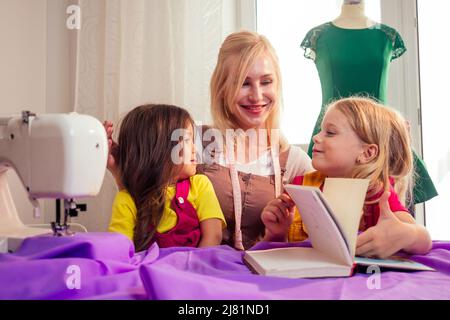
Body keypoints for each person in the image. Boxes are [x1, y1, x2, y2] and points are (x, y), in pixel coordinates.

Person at [105, 31, 313, 250]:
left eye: (266, 82)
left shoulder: (294, 163)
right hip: (197, 273)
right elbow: (148, 201)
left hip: (258, 279)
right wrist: (119, 172)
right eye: (243, 83)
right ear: (222, 88)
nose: (257, 96)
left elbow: (314, 237)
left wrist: (278, 234)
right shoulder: (191, 141)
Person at [300, 0, 438, 205]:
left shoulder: (387, 36)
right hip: (333, 130)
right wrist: (327, 132)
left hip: (379, 133)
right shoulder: (318, 36)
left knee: (391, 208)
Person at [262, 97, 432, 259]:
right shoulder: (300, 185)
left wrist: (403, 235)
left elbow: (423, 239)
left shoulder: (376, 193)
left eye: (330, 133)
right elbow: (280, 255)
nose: (316, 137)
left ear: (367, 153)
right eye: (321, 130)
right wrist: (276, 233)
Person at [108, 104, 226, 252]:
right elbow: (120, 249)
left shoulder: (200, 184)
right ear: (161, 149)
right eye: (188, 140)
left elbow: (213, 236)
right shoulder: (127, 200)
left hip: (196, 268)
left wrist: (192, 271)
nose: (196, 149)